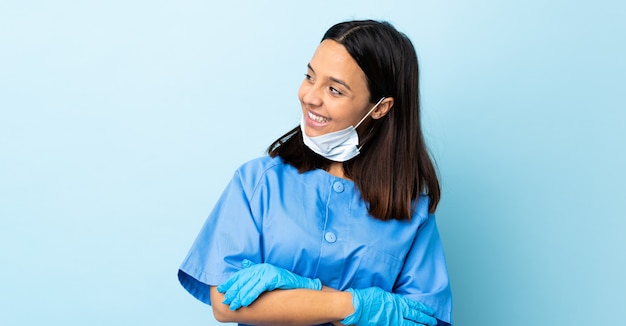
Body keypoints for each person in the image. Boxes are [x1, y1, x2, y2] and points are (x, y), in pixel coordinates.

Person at [178, 19, 453, 326]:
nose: (310, 96)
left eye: (334, 90)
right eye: (310, 77)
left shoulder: (410, 210)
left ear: (380, 107)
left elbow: (424, 319)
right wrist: (354, 305)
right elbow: (227, 303)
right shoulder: (259, 182)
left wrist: (297, 297)